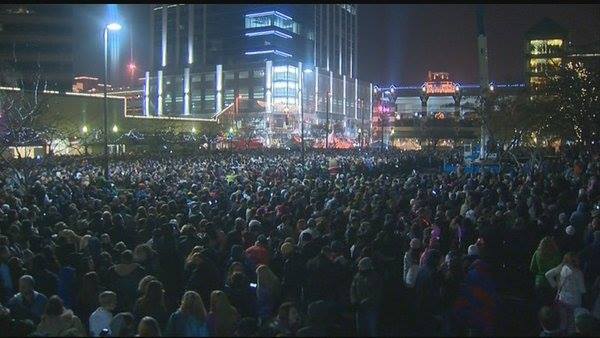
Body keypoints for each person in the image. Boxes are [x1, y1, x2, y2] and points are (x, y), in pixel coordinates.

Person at [350, 257, 383, 337]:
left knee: (372, 330)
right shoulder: (357, 276)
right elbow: (352, 289)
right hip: (359, 307)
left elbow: (377, 292)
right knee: (360, 330)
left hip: (371, 307)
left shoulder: (375, 277)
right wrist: (354, 301)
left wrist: (368, 300)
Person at [531, 237, 563, 305]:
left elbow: (532, 268)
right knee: (550, 304)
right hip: (551, 283)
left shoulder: (537, 253)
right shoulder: (556, 254)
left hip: (539, 281)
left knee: (539, 304)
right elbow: (559, 271)